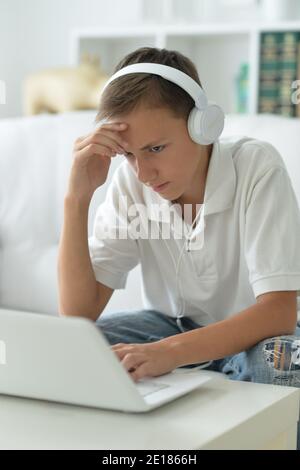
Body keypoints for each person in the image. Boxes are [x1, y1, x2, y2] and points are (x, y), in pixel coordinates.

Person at [58, 46, 300, 446]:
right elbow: (77, 314)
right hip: (173, 326)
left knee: (280, 361)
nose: (144, 171)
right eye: (129, 155)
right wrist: (77, 198)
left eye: (155, 149)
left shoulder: (257, 167)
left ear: (203, 126)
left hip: (261, 336)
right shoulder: (130, 184)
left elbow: (278, 312)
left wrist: (170, 353)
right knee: (80, 348)